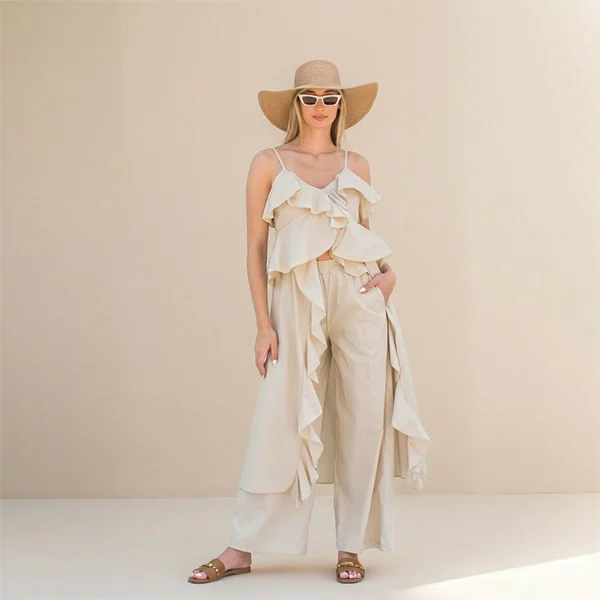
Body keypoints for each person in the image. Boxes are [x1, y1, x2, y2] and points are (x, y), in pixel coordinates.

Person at [188, 59, 430, 585]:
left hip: (360, 294)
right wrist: (262, 324)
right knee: (281, 414)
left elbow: (364, 234)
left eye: (330, 97)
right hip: (295, 294)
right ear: (295, 104)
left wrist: (389, 276)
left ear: (341, 105)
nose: (321, 106)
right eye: (310, 97)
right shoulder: (268, 163)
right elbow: (255, 248)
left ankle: (350, 547)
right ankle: (241, 547)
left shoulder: (357, 164)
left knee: (364, 417)